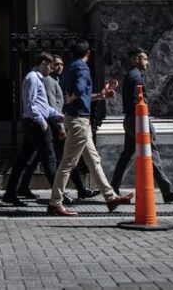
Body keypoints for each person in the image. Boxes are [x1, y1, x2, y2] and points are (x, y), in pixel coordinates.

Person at [47, 40, 133, 216]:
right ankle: (55, 203)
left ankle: (110, 198)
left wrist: (99, 96)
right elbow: (79, 90)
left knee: (94, 161)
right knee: (68, 163)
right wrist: (74, 96)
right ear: (88, 53)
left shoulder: (69, 68)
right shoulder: (82, 68)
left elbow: (80, 95)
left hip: (75, 119)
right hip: (79, 121)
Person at [17, 54, 100, 203]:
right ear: (44, 64)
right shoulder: (43, 80)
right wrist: (54, 124)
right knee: (60, 159)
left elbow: (51, 104)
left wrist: (60, 115)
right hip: (47, 124)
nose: (57, 67)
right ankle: (61, 195)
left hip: (48, 121)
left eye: (61, 64)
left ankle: (20, 188)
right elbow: (38, 104)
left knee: (38, 157)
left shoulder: (54, 80)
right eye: (54, 64)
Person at [111, 47, 173, 203]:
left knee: (126, 155)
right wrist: (143, 121)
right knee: (151, 154)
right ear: (136, 59)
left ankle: (113, 188)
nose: (147, 62)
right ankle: (168, 191)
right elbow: (138, 101)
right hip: (138, 120)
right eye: (144, 59)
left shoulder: (131, 75)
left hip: (130, 120)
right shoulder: (136, 77)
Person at [2, 52, 64, 206]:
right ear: (43, 64)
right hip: (36, 124)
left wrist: (57, 115)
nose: (51, 69)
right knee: (49, 159)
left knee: (24, 159)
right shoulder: (32, 78)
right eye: (50, 66)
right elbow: (30, 104)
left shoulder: (38, 79)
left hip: (35, 122)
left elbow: (43, 105)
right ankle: (58, 196)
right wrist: (42, 122)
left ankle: (10, 192)